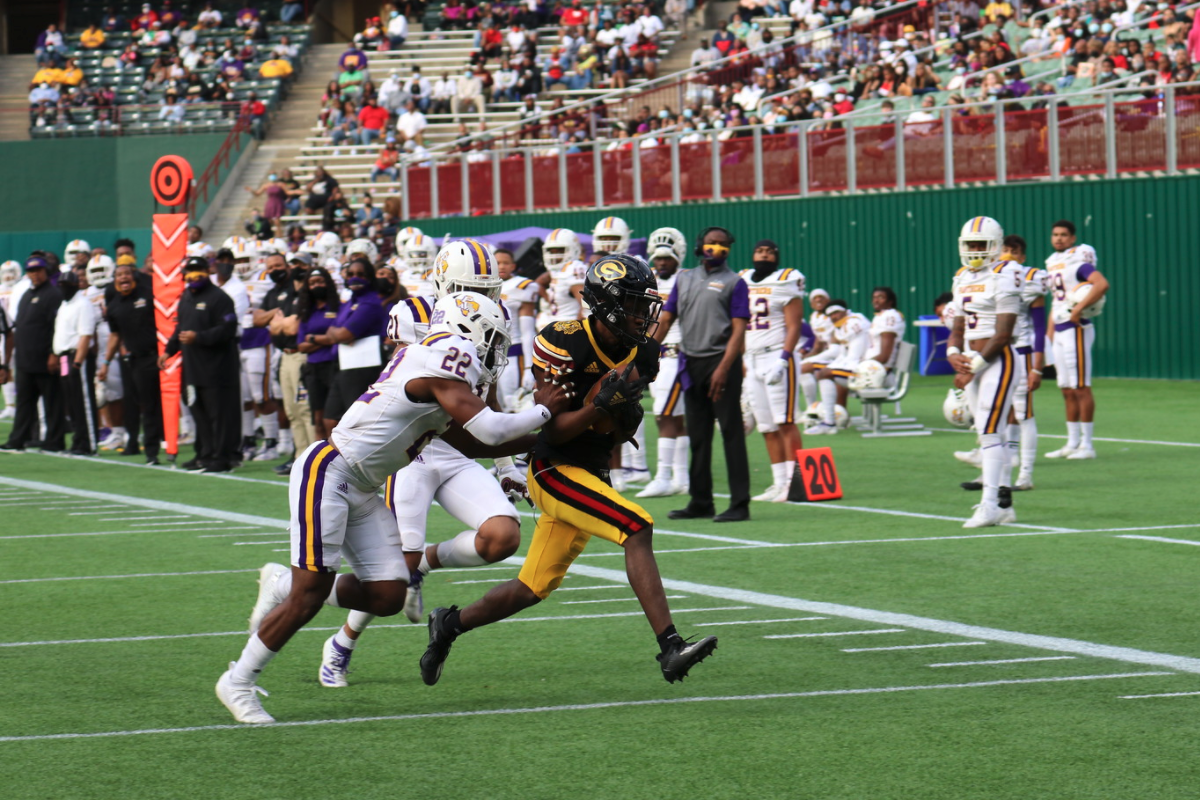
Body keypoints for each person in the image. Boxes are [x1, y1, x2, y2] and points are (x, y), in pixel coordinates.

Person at [216, 292, 569, 723]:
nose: (494, 349)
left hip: (361, 484)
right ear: (467, 327)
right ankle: (238, 681)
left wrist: (550, 440)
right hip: (328, 471)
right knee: (308, 598)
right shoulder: (445, 354)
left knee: (387, 594)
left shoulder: (437, 363)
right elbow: (492, 430)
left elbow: (472, 442)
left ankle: (282, 582)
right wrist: (544, 412)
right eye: (492, 337)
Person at [418, 254, 719, 687]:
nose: (642, 315)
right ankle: (670, 646)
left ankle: (449, 624)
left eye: (643, 305)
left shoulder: (644, 352)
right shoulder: (564, 340)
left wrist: (615, 414)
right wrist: (598, 404)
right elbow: (553, 432)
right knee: (637, 526)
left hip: (592, 470)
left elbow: (617, 431)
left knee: (530, 588)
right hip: (553, 469)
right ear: (607, 303)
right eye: (633, 304)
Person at [314, 242, 532, 685]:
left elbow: (486, 396)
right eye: (471, 288)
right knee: (397, 566)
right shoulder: (414, 311)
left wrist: (506, 465)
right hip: (412, 451)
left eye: (487, 289)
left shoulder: (494, 316)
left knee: (502, 536)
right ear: (445, 282)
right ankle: (341, 643)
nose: (483, 298)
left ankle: (427, 563)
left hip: (459, 449)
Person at [656, 227, 751, 523]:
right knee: (698, 435)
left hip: (721, 362)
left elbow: (739, 329)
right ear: (700, 245)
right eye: (712, 243)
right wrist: (646, 352)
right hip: (691, 362)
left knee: (731, 434)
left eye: (724, 245)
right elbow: (667, 317)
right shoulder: (684, 278)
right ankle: (700, 501)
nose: (718, 249)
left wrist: (724, 367)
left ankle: (740, 504)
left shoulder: (735, 282)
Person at [945, 217, 1023, 529]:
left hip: (999, 360)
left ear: (995, 246)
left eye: (981, 244)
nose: (975, 250)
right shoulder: (962, 277)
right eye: (971, 245)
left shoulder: (1006, 273)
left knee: (990, 432)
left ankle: (989, 505)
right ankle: (1003, 504)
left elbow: (1003, 333)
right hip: (974, 362)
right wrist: (952, 353)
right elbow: (958, 326)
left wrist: (973, 368)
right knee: (990, 433)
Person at [161, 257, 242, 473]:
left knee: (219, 416)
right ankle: (204, 454)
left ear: (208, 271)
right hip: (192, 369)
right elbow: (180, 329)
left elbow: (228, 330)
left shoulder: (220, 298)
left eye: (199, 271)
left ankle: (221, 458)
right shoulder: (186, 296)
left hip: (217, 370)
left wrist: (200, 337)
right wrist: (168, 351)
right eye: (190, 271)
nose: (194, 275)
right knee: (199, 413)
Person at [739, 240, 806, 501]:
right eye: (759, 251)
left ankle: (794, 483)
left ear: (776, 257)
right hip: (752, 358)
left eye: (769, 252)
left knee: (785, 421)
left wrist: (784, 358)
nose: (764, 255)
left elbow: (794, 325)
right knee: (766, 425)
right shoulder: (742, 278)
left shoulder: (787, 279)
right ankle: (779, 482)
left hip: (777, 356)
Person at [1044, 220, 1109, 460]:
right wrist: (1048, 336)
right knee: (1066, 388)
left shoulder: (1078, 264)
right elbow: (1056, 301)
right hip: (1060, 329)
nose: (1059, 238)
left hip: (1076, 328)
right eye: (1055, 234)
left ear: (1073, 239)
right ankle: (1072, 442)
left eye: (1063, 235)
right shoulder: (1052, 263)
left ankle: (1088, 446)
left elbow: (1101, 284)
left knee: (1081, 386)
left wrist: (1078, 309)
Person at [637, 227, 690, 498]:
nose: (661, 262)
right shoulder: (649, 280)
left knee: (664, 415)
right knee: (676, 417)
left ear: (678, 256)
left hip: (674, 353)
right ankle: (682, 477)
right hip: (655, 354)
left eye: (667, 258)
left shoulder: (686, 279)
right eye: (658, 258)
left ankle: (664, 475)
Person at [1, 256, 66, 453]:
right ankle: (18, 439)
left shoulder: (53, 295)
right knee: (24, 404)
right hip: (26, 360)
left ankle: (54, 441)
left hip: (46, 359)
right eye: (31, 271)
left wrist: (53, 354)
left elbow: (56, 327)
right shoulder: (27, 295)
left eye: (38, 270)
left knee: (53, 403)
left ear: (45, 271)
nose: (34, 274)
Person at [102, 262, 162, 465]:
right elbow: (115, 335)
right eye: (120, 275)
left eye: (127, 274)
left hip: (156, 356)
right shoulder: (114, 306)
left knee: (152, 405)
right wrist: (106, 362)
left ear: (134, 276)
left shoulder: (148, 295)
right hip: (133, 360)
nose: (124, 278)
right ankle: (137, 445)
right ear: (115, 279)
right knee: (135, 404)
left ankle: (154, 450)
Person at [805, 300, 870, 435]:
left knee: (824, 373)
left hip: (866, 370)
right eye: (831, 315)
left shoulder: (854, 322)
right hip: (861, 365)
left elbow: (854, 356)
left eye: (836, 312)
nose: (834, 317)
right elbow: (840, 353)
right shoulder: (842, 325)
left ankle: (829, 422)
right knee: (821, 370)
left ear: (845, 311)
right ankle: (831, 418)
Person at [53, 269, 99, 456]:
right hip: (65, 356)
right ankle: (78, 440)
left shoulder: (83, 304)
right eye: (61, 285)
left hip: (77, 357)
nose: (63, 289)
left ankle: (89, 444)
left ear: (75, 286)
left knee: (84, 401)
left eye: (66, 286)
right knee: (72, 402)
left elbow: (86, 335)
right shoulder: (64, 304)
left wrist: (77, 363)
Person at [496, 247, 541, 410]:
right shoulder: (481, 285)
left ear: (513, 266)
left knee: (513, 402)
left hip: (512, 352)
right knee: (495, 403)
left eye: (506, 263)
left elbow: (528, 331)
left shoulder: (521, 286)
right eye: (497, 263)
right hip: (488, 354)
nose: (501, 266)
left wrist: (530, 366)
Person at [540, 228, 588, 322]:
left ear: (573, 249)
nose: (554, 255)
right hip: (556, 323)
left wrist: (575, 327)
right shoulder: (558, 270)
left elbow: (586, 305)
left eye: (559, 250)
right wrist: (548, 301)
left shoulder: (575, 268)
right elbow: (539, 282)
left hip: (568, 325)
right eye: (551, 251)